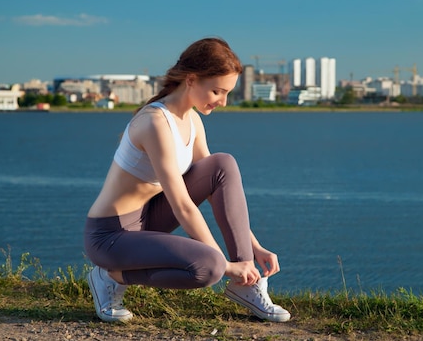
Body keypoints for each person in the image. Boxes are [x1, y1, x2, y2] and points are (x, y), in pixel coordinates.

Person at [84, 37, 290, 323]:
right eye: (217, 90)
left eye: (228, 92)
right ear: (191, 80)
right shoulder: (156, 123)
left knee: (223, 164)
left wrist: (253, 249)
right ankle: (109, 277)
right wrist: (226, 265)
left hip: (149, 220)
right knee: (210, 268)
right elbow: (182, 205)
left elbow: (217, 187)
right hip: (111, 236)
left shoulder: (192, 120)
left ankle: (248, 285)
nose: (223, 101)